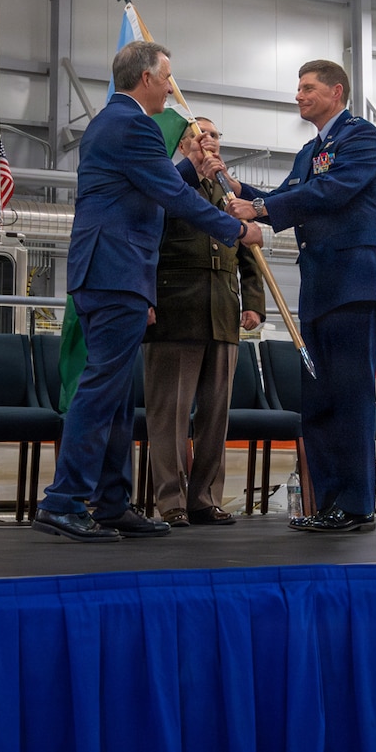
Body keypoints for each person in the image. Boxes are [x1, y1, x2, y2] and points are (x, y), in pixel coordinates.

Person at [35, 42, 264, 543]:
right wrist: (238, 231)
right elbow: (173, 198)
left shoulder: (112, 123)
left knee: (116, 395)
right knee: (100, 390)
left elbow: (150, 185)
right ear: (145, 78)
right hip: (116, 272)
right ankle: (64, 500)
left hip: (108, 271)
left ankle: (112, 503)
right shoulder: (134, 123)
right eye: (166, 77)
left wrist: (190, 171)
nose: (169, 87)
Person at [219, 59, 376, 533]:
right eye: (297, 88)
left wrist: (259, 207)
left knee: (350, 397)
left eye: (308, 88)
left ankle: (355, 505)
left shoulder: (362, 138)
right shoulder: (307, 151)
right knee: (317, 400)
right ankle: (328, 499)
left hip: (355, 284)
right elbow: (291, 194)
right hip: (318, 288)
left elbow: (330, 193)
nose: (299, 95)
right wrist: (238, 189)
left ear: (337, 92)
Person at [141, 117, 266, 527]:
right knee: (170, 413)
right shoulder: (168, 182)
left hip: (222, 312)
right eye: (198, 136)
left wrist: (253, 302)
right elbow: (145, 240)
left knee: (215, 414)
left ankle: (205, 498)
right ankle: (171, 500)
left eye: (213, 135)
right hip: (176, 307)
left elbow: (246, 249)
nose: (208, 141)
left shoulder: (229, 191)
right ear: (182, 147)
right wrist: (145, 296)